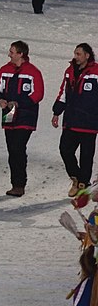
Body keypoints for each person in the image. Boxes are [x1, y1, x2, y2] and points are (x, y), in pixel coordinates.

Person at [0, 39, 44, 197]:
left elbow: (38, 94)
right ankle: (16, 183)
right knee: (12, 149)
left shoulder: (33, 71)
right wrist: (0, 99)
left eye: (12, 52)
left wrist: (19, 103)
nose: (9, 54)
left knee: (17, 148)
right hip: (8, 114)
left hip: (26, 116)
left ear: (21, 54)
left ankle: (19, 184)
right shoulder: (4, 69)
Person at [52, 43, 98, 196]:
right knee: (65, 150)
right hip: (71, 121)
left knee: (86, 156)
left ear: (87, 55)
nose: (75, 57)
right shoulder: (69, 71)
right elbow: (63, 93)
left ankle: (83, 185)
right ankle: (76, 178)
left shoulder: (96, 72)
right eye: (75, 54)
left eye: (79, 54)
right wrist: (56, 112)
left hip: (90, 122)